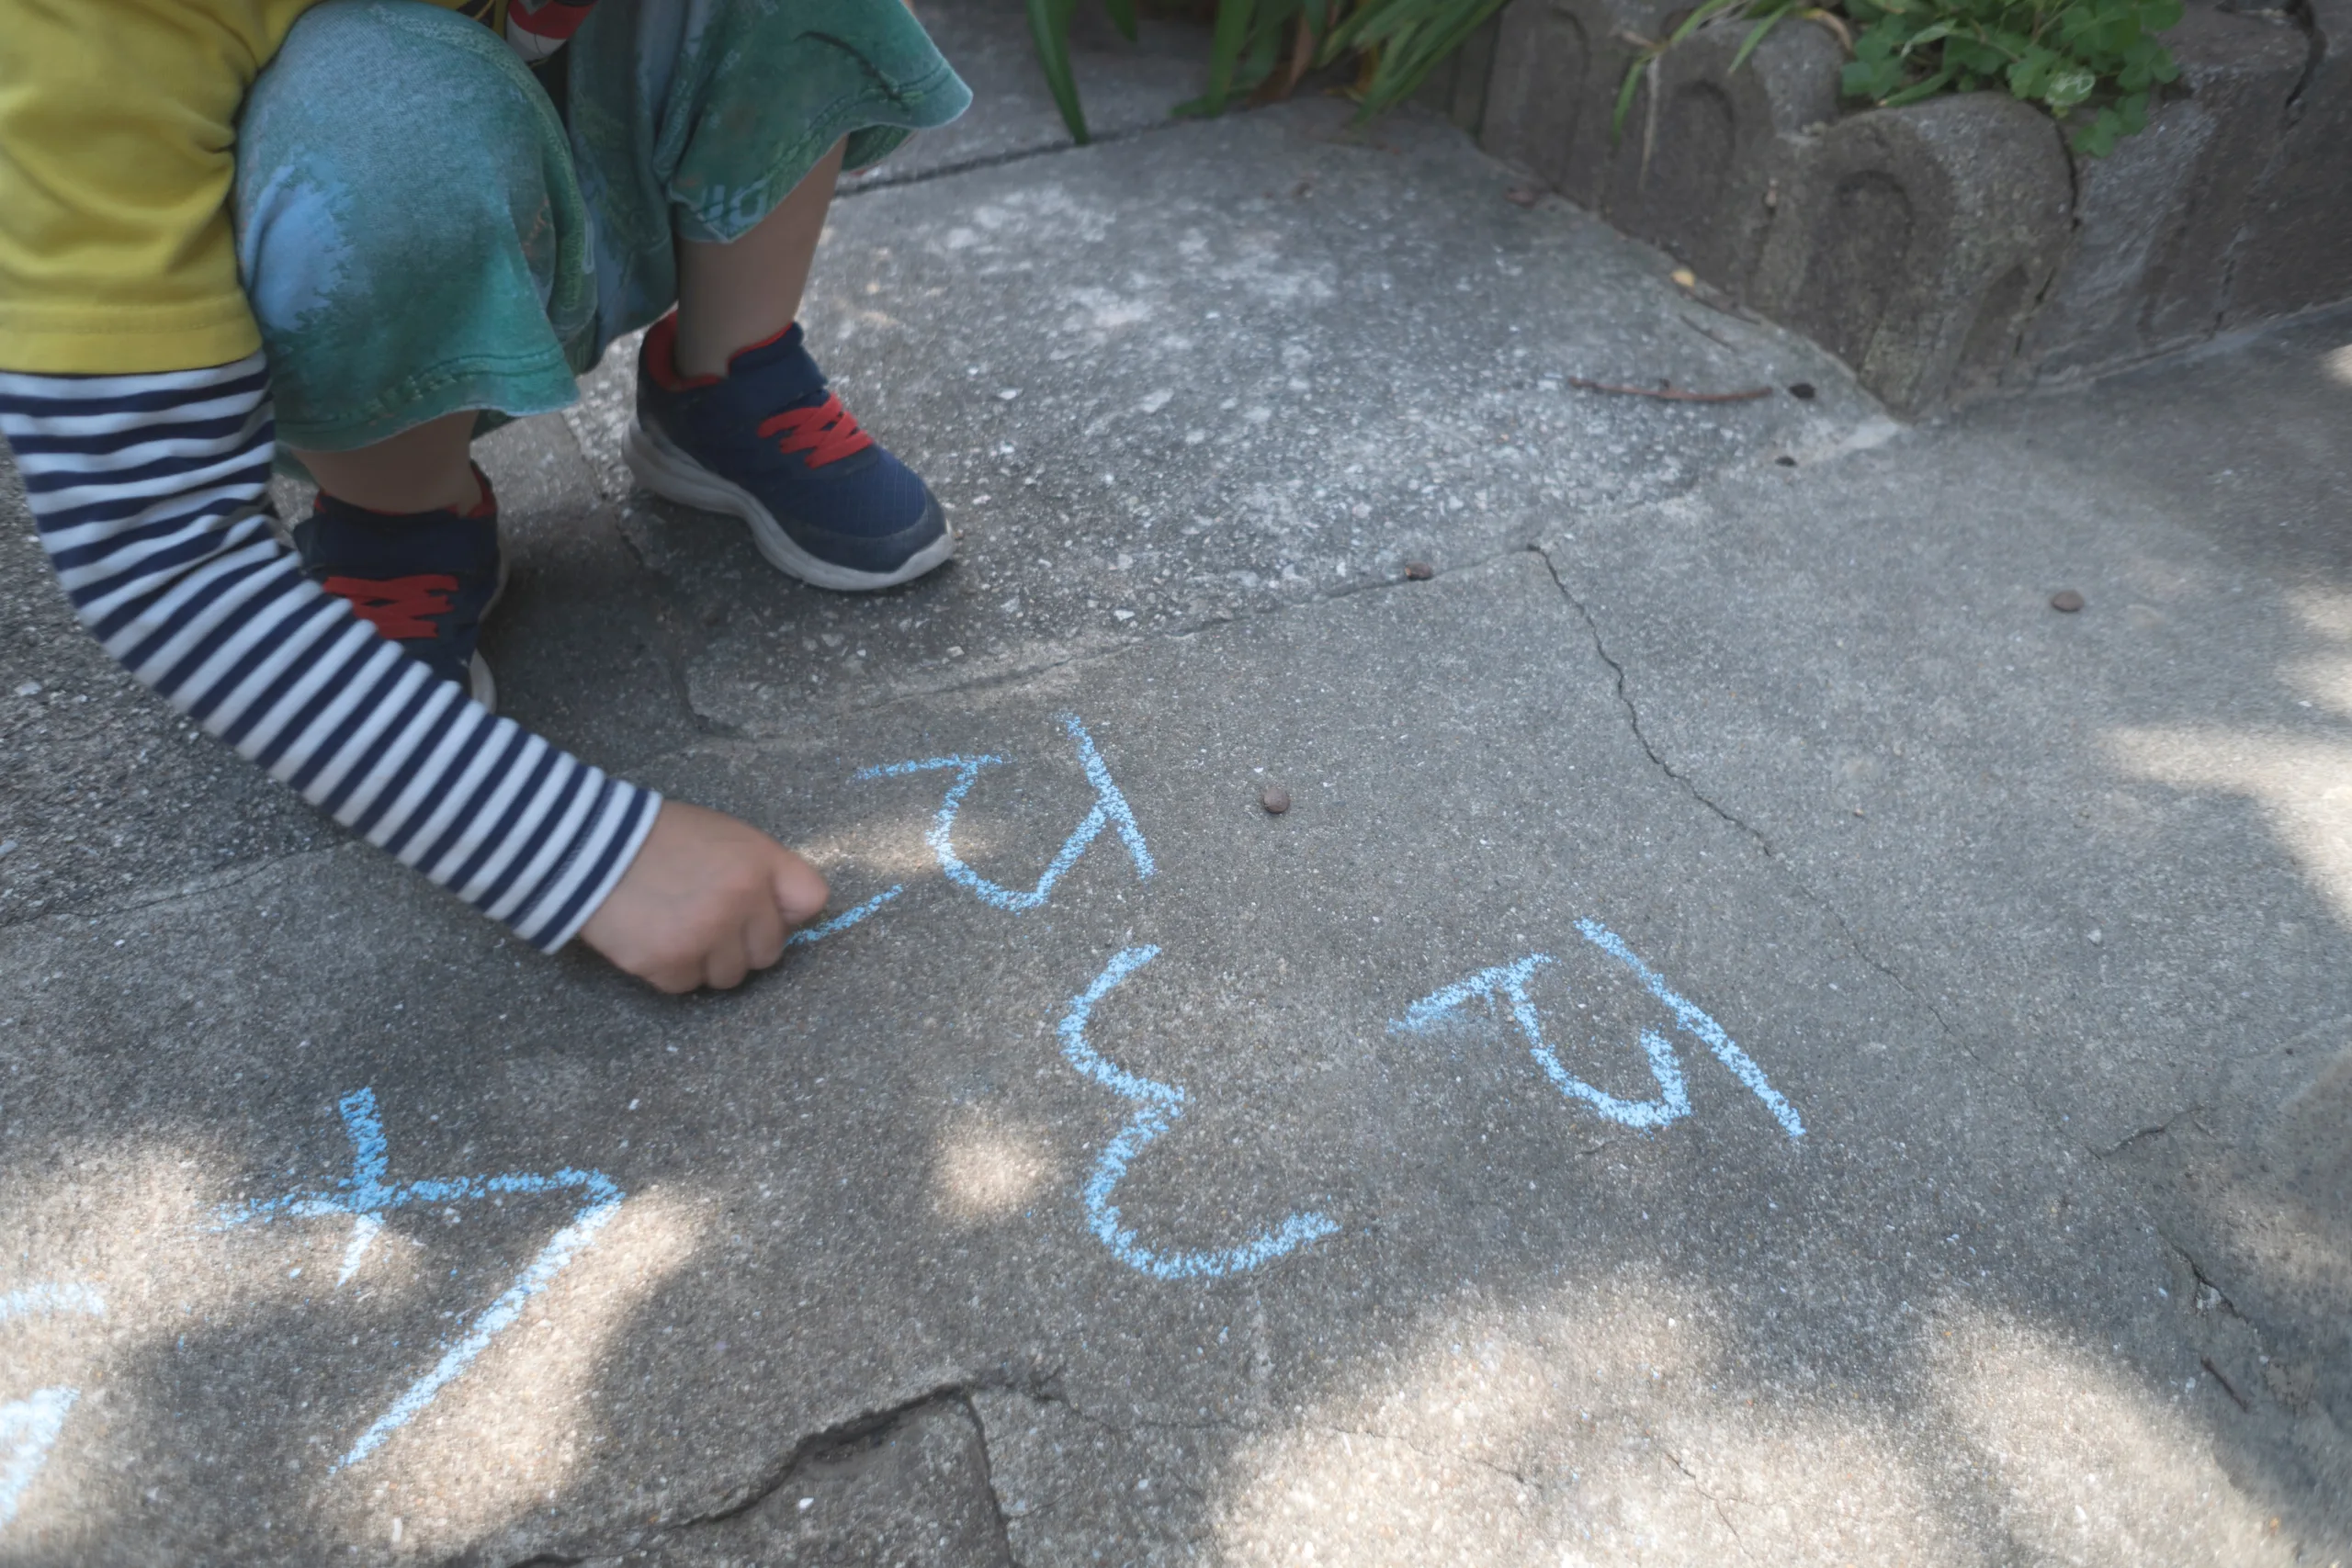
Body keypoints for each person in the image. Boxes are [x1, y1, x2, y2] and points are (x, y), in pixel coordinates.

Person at [0, 0, 972, 992]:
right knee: (386, 126)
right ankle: (400, 513)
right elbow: (154, 544)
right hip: (345, 235)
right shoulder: (90, 28)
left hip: (551, 110)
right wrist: (578, 854)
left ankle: (730, 375)